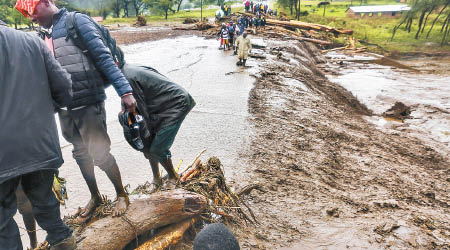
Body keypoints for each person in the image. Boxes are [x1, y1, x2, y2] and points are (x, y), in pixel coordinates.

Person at [28, 0, 137, 222]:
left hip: (88, 103)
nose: (31, 17)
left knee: (100, 154)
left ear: (47, 2)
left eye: (33, 11)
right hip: (65, 109)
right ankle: (95, 196)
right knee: (80, 154)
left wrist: (125, 91)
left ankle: (121, 194)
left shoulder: (76, 21)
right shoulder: (42, 35)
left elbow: (104, 57)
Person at [0, 18, 76, 250]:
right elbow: (64, 86)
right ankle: (64, 242)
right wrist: (45, 111)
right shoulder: (31, 41)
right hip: (40, 143)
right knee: (47, 205)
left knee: (2, 224)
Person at [118, 51, 196, 192]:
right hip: (161, 107)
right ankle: (157, 178)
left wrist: (145, 138)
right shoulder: (128, 69)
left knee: (157, 148)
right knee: (148, 144)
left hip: (176, 104)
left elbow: (141, 113)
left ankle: (173, 176)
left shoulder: (126, 77)